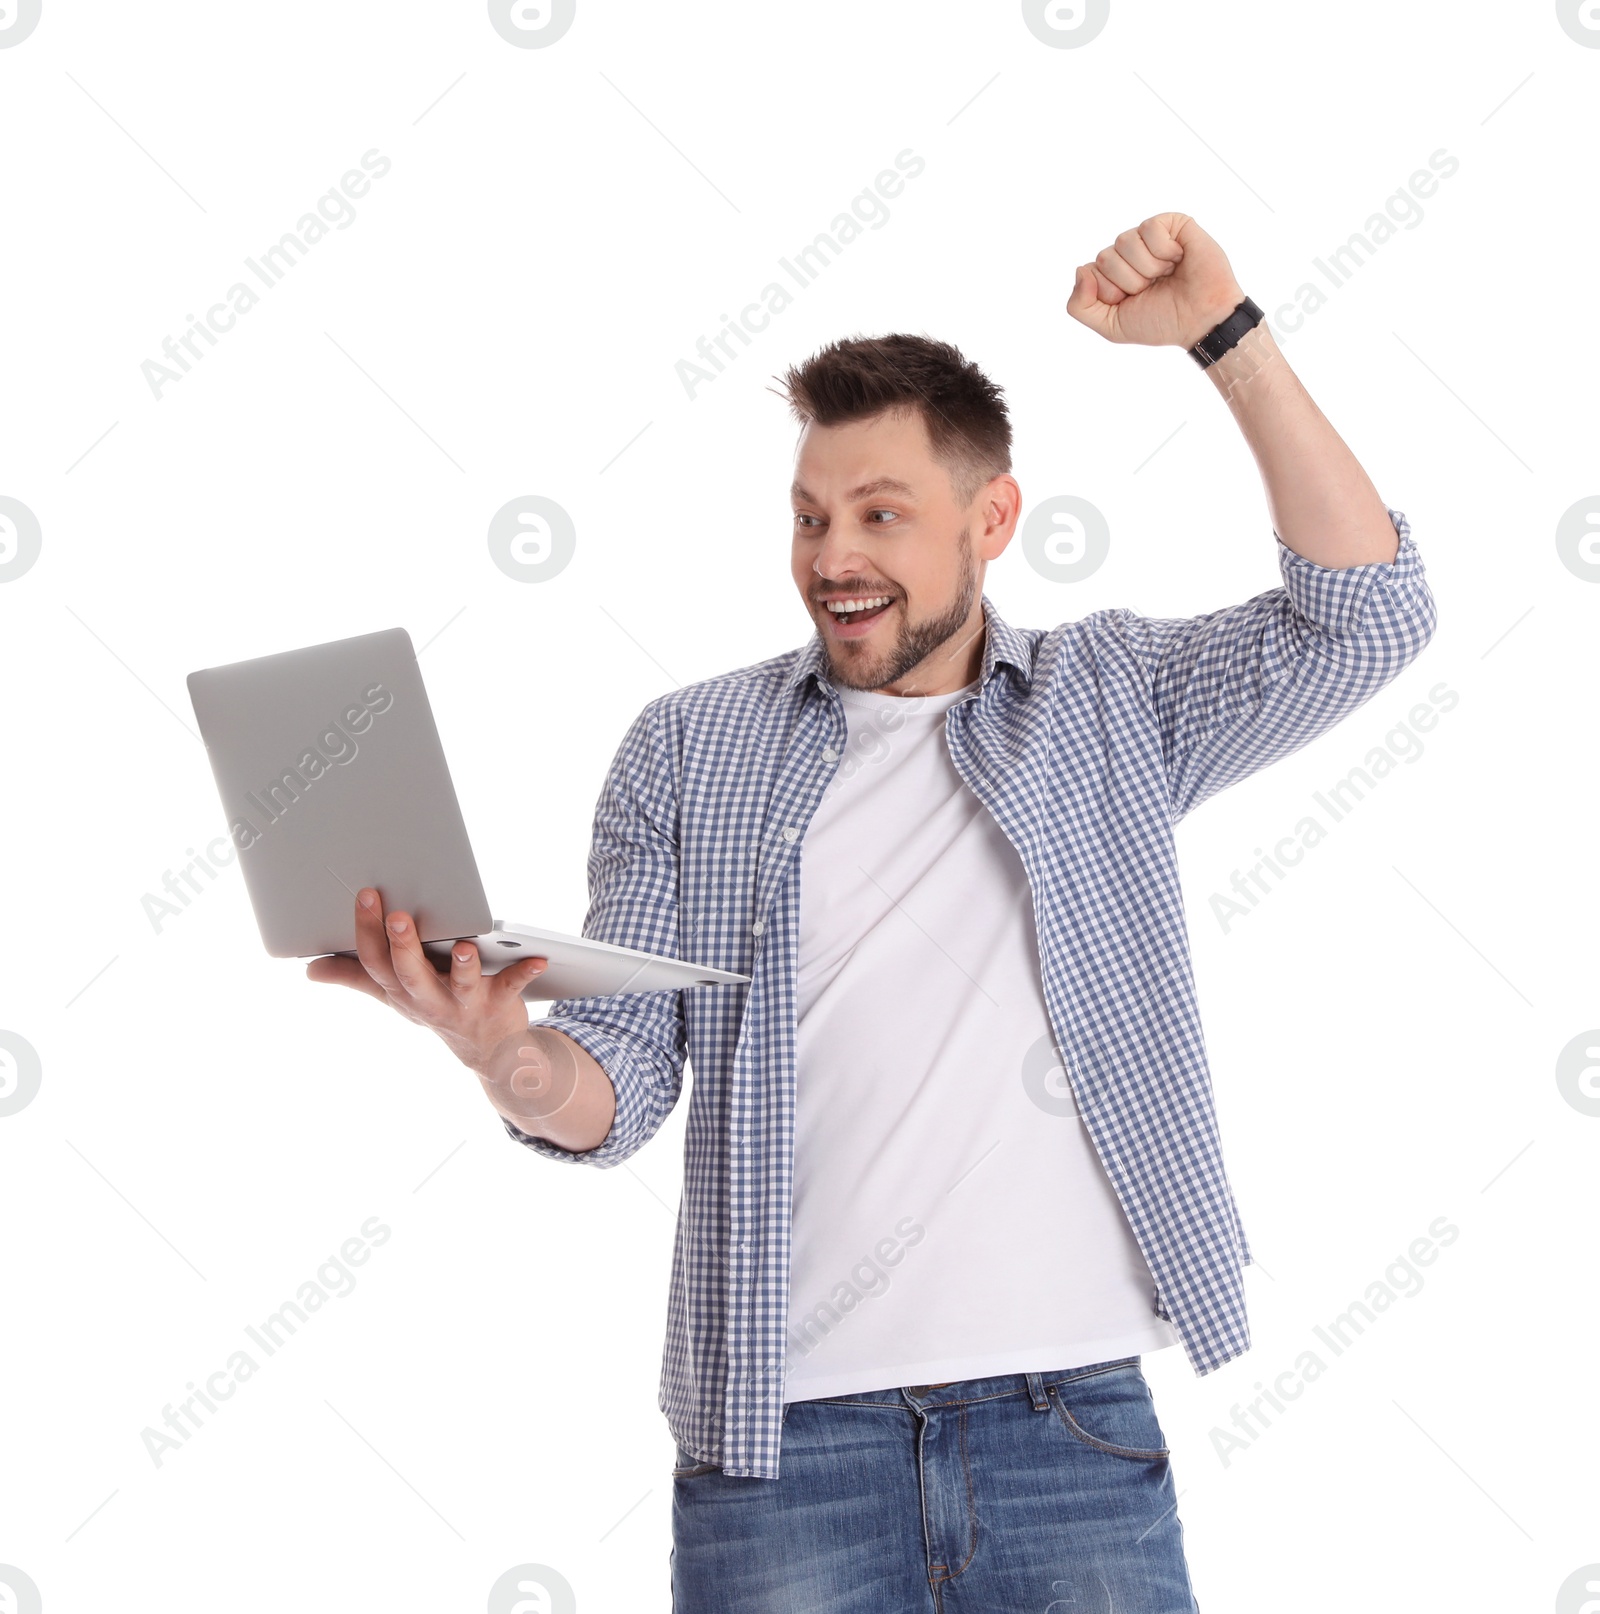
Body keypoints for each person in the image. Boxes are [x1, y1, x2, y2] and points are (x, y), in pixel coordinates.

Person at [309, 213, 1437, 1612]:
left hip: (1066, 1431)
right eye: (810, 513)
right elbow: (619, 1086)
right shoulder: (688, 747)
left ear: (994, 520)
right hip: (781, 1455)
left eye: (882, 513)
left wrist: (1228, 339)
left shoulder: (1111, 703)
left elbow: (1369, 617)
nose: (833, 554)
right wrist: (501, 1054)